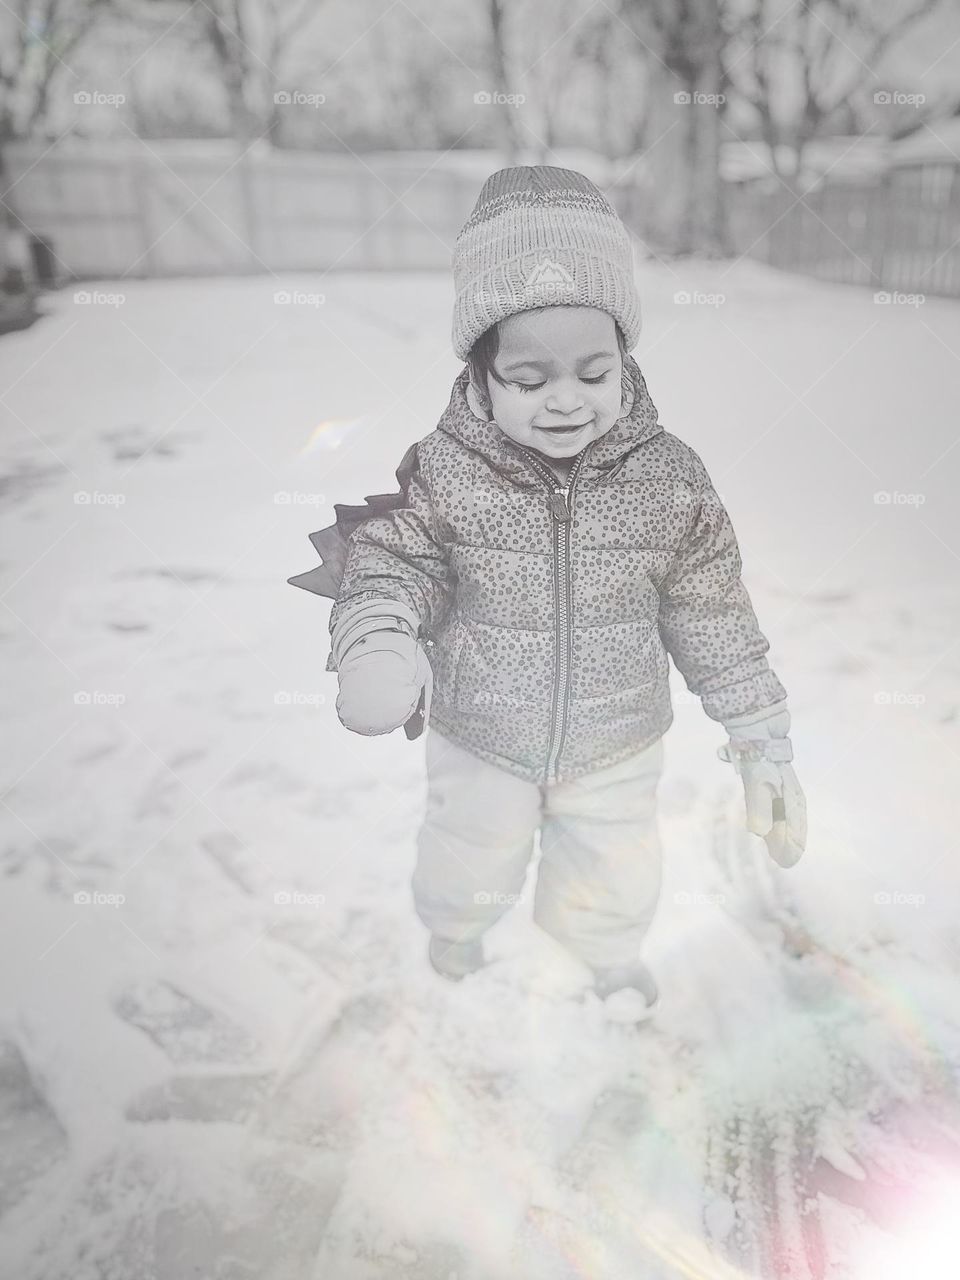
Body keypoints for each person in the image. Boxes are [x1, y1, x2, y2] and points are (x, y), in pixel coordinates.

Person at [324, 165, 806, 1021]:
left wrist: (761, 736)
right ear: (482, 375)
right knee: (469, 851)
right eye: (530, 378)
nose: (566, 402)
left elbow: (713, 611)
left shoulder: (668, 478)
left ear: (624, 360)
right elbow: (397, 558)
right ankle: (457, 935)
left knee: (615, 864)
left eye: (593, 372)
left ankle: (605, 953)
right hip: (482, 731)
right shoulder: (446, 469)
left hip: (617, 738)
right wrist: (379, 634)